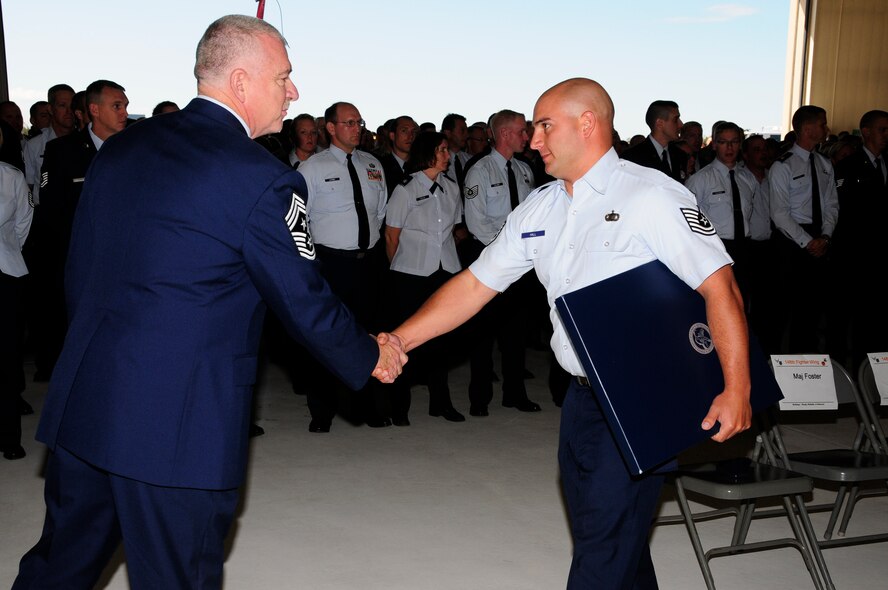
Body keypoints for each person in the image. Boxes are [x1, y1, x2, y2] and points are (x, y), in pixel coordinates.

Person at [12, 15, 405, 589]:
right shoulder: (261, 178)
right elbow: (303, 299)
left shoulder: (122, 150)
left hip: (90, 403)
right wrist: (368, 353)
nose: (293, 91)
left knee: (57, 569)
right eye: (285, 77)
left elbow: (82, 274)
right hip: (179, 427)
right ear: (242, 82)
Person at [385, 78, 751, 588]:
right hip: (580, 400)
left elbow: (721, 289)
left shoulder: (651, 195)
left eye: (544, 125)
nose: (534, 140)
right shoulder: (542, 206)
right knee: (610, 539)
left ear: (588, 124)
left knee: (601, 549)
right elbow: (473, 285)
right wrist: (400, 340)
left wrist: (737, 388)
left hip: (641, 395)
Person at [298, 101, 392, 432]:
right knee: (326, 336)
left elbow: (379, 213)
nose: (357, 128)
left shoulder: (373, 165)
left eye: (359, 122)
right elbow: (297, 219)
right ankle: (321, 412)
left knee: (368, 337)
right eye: (349, 122)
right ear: (331, 128)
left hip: (367, 264)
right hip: (330, 264)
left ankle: (367, 406)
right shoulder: (312, 168)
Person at [384, 131, 465, 424]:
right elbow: (392, 235)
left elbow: (453, 230)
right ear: (428, 153)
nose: (448, 155)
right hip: (410, 274)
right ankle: (399, 407)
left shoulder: (452, 188)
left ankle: (440, 402)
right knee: (406, 340)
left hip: (443, 272)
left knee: (441, 340)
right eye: (443, 150)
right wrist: (400, 269)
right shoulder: (405, 189)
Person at [769, 105, 838, 353]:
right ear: (808, 129)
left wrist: (826, 236)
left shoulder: (824, 163)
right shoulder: (783, 165)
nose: (826, 128)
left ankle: (809, 365)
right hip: (793, 242)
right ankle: (784, 364)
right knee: (788, 309)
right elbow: (779, 213)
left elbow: (831, 203)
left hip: (820, 238)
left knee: (814, 309)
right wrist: (808, 241)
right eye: (822, 123)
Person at [833, 109, 888, 367]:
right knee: (846, 317)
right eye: (882, 129)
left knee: (874, 318)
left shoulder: (885, 163)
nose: (886, 135)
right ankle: (848, 371)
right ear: (865, 132)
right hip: (854, 255)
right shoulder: (848, 165)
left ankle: (873, 369)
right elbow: (842, 211)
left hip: (880, 255)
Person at [685, 122, 756, 302]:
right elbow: (689, 221)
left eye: (734, 142)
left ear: (740, 144)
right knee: (720, 300)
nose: (729, 147)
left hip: (745, 247)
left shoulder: (748, 178)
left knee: (744, 299)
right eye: (723, 142)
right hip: (716, 248)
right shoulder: (700, 180)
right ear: (714, 144)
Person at [0, 120, 33, 461]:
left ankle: (9, 435)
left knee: (7, 361)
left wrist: (7, 248)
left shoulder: (10, 177)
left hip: (6, 274)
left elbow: (23, 222)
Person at [621, 99, 689, 183]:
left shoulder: (680, 156)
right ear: (660, 123)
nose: (681, 124)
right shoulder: (632, 158)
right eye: (675, 119)